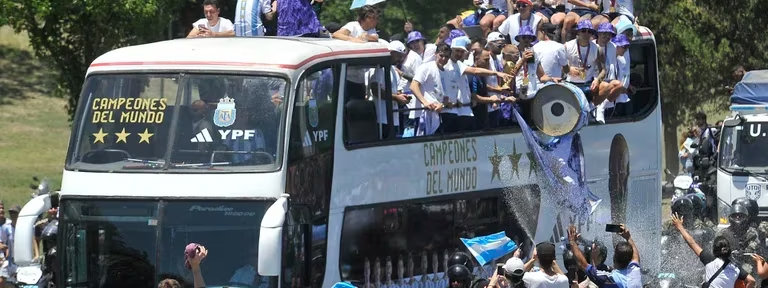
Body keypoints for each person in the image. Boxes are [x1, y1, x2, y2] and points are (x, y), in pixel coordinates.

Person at [672, 213, 757, 288]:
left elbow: (691, 242)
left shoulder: (709, 260)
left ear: (714, 250)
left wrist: (680, 227)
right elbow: (752, 281)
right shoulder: (736, 268)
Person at [568, 224, 642, 288]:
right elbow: (635, 257)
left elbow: (583, 265)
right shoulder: (634, 270)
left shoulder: (612, 279)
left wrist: (572, 241)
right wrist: (628, 237)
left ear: (614, 259)